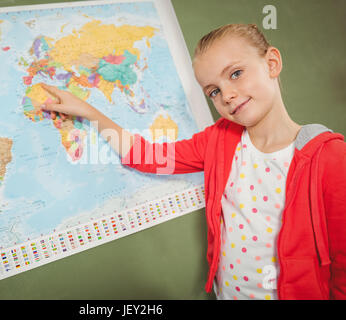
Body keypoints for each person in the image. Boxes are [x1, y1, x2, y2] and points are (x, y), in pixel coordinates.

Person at [35, 24, 346, 300]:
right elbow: (146, 157)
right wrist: (90, 112)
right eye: (213, 91)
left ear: (272, 63)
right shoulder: (218, 140)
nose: (227, 95)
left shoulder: (329, 158)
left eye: (235, 73)